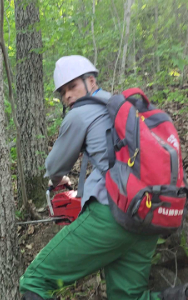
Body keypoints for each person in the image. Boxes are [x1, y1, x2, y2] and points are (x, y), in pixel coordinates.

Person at [19, 55, 188, 300]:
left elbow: (55, 166)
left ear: (91, 81)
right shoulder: (125, 109)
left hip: (112, 215)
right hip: (149, 215)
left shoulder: (79, 114)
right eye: (62, 92)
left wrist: (56, 181)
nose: (67, 96)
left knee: (35, 280)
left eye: (72, 86)